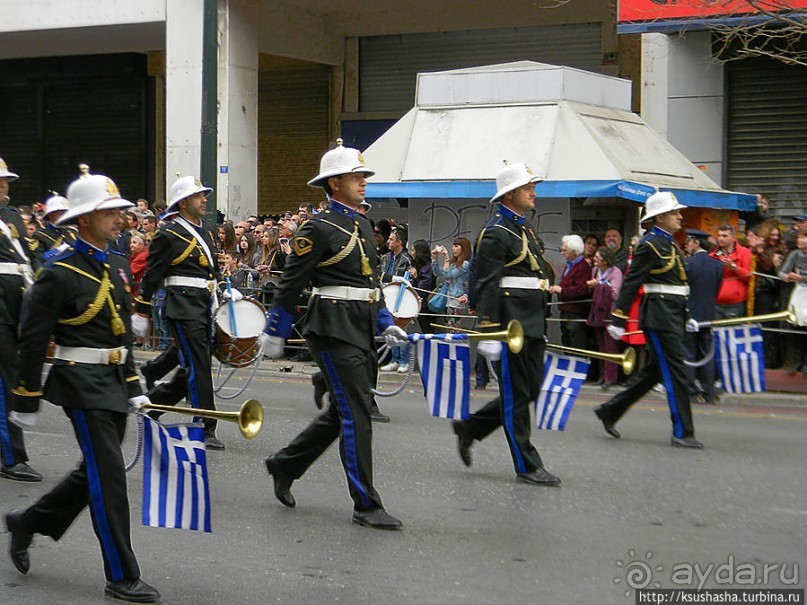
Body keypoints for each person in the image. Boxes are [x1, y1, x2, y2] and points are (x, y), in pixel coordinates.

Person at [6, 174, 160, 602]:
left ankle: (28, 521)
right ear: (86, 218)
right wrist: (26, 398)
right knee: (109, 478)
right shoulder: (59, 268)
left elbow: (120, 332)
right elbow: (33, 337)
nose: (120, 219)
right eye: (110, 212)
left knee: (91, 471)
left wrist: (134, 384)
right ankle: (122, 575)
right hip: (79, 382)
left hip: (111, 381)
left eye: (118, 211)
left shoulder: (112, 261)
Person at [259, 139, 407, 529]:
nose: (363, 182)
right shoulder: (317, 227)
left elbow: (370, 281)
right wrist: (275, 329)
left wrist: (385, 320)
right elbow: (290, 282)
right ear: (334, 183)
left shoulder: (360, 222)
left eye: (363, 176)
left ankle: (284, 463)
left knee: (344, 411)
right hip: (331, 326)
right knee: (357, 413)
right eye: (356, 176)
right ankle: (366, 504)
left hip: (359, 325)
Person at [450, 162, 560, 486]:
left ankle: (469, 428)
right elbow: (485, 282)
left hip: (532, 320)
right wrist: (489, 330)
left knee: (529, 390)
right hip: (512, 325)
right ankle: (526, 465)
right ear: (511, 194)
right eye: (529, 188)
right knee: (516, 394)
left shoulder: (522, 228)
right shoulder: (497, 231)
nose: (534, 192)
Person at [594, 191, 703, 449]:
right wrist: (619, 319)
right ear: (661, 217)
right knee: (676, 373)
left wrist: (686, 316)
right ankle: (682, 432)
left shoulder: (669, 243)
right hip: (659, 317)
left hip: (672, 314)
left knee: (655, 373)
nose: (680, 216)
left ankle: (610, 411)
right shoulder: (650, 244)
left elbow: (677, 283)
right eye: (675, 212)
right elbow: (632, 282)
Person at [134, 175, 233, 451]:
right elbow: (152, 275)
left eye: (203, 195)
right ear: (184, 202)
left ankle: (153, 405)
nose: (204, 200)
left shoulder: (205, 230)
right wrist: (141, 310)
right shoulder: (168, 234)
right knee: (199, 364)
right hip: (181, 306)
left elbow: (211, 270)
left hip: (204, 305)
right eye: (198, 196)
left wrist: (226, 289)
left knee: (193, 364)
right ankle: (205, 423)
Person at [0, 157, 41, 482]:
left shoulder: (12, 215)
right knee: (6, 385)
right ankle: (12, 457)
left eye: (6, 181)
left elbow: (26, 261)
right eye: (0, 181)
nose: (4, 186)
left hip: (15, 311)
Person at [683, 229, 723, 404]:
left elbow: (684, 290)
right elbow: (716, 289)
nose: (687, 245)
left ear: (696, 243)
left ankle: (692, 392)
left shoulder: (688, 264)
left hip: (690, 315)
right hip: (708, 314)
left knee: (689, 355)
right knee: (707, 354)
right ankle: (709, 391)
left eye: (689, 242)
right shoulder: (717, 265)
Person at [585, 246, 623, 389]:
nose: (595, 259)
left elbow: (614, 294)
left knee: (610, 346)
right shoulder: (595, 271)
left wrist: (599, 284)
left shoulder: (616, 273)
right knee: (600, 346)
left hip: (610, 314)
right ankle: (601, 375)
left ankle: (610, 377)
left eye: (598, 257)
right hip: (598, 312)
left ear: (605, 260)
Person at [549, 234, 592, 350]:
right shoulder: (570, 266)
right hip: (566, 312)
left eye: (565, 250)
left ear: (574, 251)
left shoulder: (582, 267)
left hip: (576, 314)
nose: (562, 253)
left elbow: (581, 289)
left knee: (576, 347)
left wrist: (561, 290)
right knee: (567, 345)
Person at [379, 228, 413, 373]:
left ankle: (404, 361)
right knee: (390, 327)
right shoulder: (385, 257)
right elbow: (380, 273)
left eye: (391, 239)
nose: (388, 242)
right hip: (387, 296)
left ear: (399, 243)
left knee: (402, 328)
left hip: (401, 298)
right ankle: (394, 359)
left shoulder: (407, 259)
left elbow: (409, 279)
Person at [779, 229, 807, 373]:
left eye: (804, 238)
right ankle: (797, 361)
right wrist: (786, 276)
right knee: (796, 327)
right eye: (799, 238)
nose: (800, 240)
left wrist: (801, 278)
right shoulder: (795, 254)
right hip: (798, 293)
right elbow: (782, 271)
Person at [710, 224, 752, 320]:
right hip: (716, 303)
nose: (721, 238)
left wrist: (734, 267)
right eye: (719, 235)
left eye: (725, 236)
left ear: (733, 238)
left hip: (735, 304)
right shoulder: (712, 255)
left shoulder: (744, 253)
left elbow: (749, 276)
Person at [432, 237, 472, 330]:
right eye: (453, 246)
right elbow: (438, 272)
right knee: (448, 327)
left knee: (453, 328)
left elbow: (448, 275)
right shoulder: (454, 264)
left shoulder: (465, 264)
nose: (453, 248)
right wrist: (435, 259)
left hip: (457, 299)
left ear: (464, 248)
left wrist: (446, 258)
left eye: (456, 246)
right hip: (448, 299)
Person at [32, 193, 76, 262]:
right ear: (51, 214)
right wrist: (58, 251)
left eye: (67, 212)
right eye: (61, 212)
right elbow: (37, 260)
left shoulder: (73, 233)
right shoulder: (40, 235)